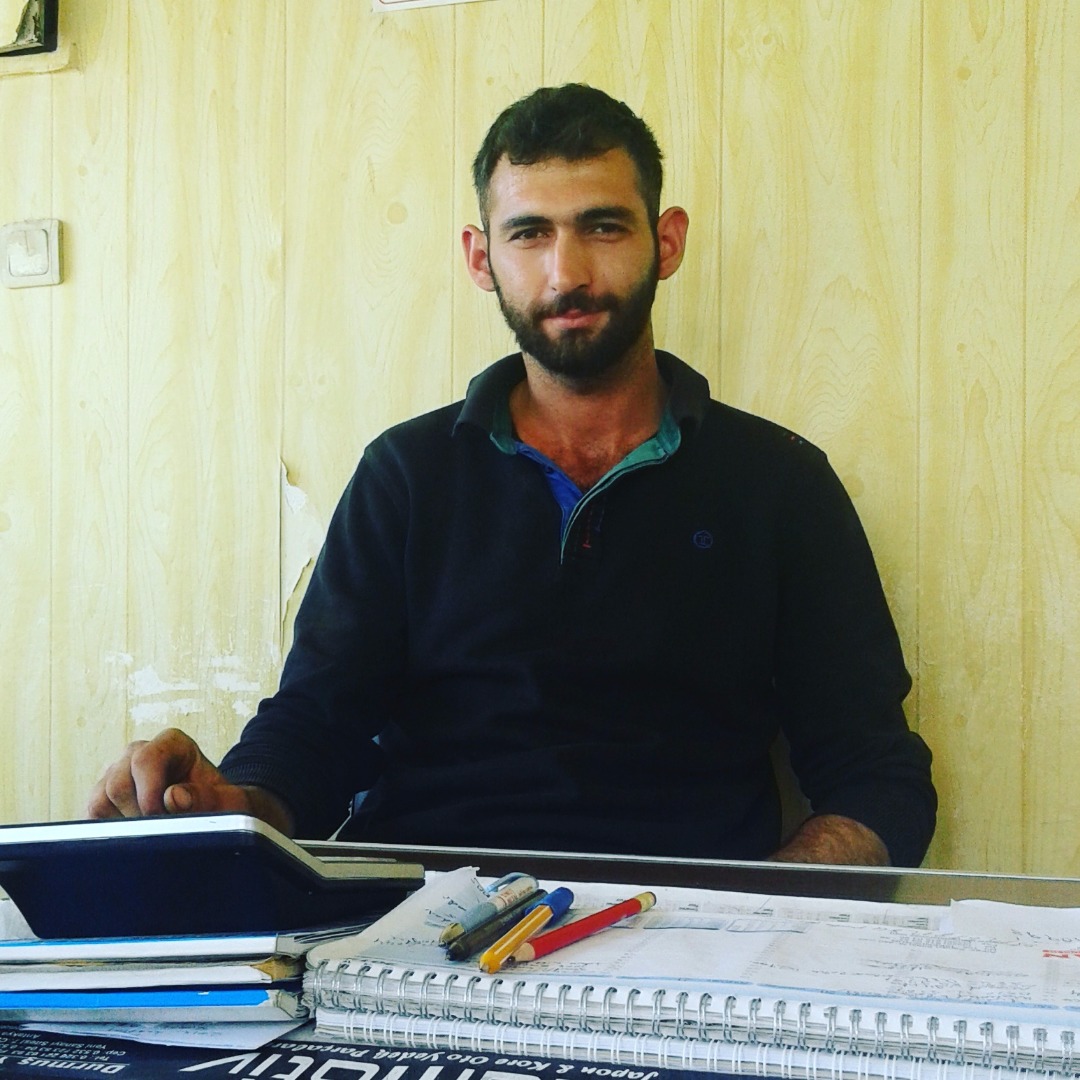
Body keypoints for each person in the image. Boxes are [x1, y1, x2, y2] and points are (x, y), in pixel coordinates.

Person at [88, 84, 936, 866]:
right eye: (529, 234)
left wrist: (762, 920)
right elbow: (317, 727)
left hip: (682, 936)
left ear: (667, 241)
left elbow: (879, 779)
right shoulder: (406, 476)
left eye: (604, 227)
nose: (567, 274)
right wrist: (227, 807)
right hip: (417, 923)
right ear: (480, 257)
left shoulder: (780, 484)